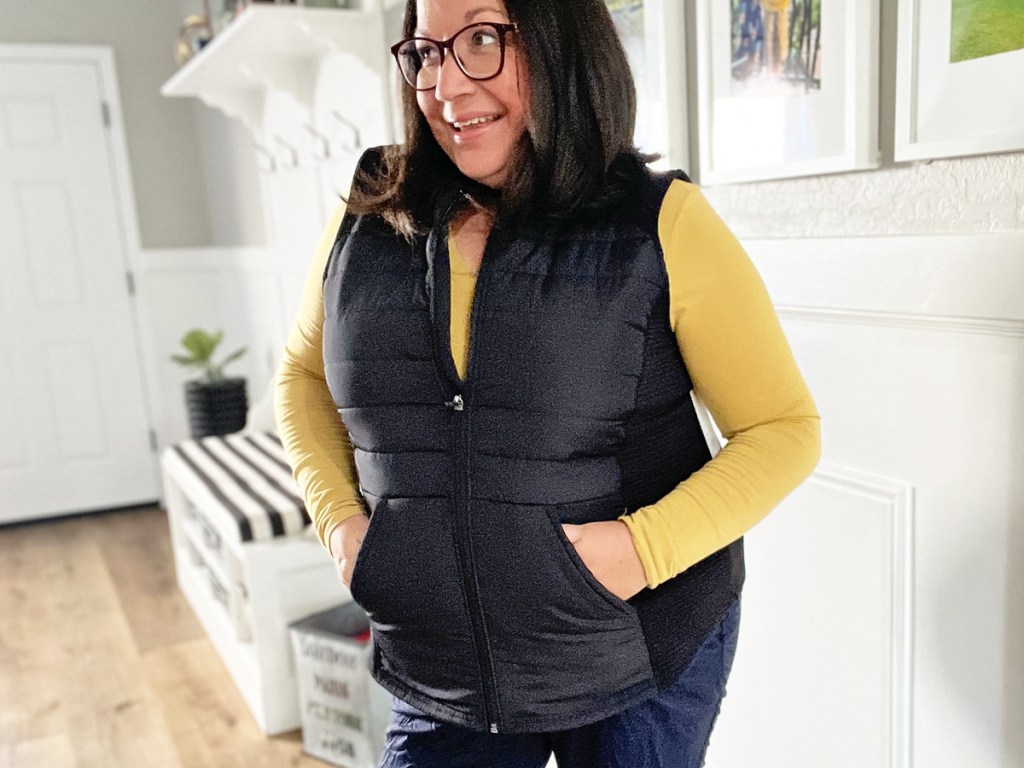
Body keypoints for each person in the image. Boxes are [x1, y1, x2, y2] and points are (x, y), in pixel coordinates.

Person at [274, 0, 820, 765]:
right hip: (441, 665)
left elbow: (783, 430)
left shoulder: (662, 222)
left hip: (636, 653)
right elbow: (300, 375)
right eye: (428, 51)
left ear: (559, 39)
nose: (447, 86)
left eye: (485, 39)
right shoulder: (369, 215)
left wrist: (639, 550)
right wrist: (338, 521)